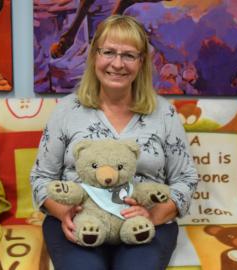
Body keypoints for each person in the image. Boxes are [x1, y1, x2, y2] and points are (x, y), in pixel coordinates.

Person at [30, 15, 198, 270]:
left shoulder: (164, 114)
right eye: (108, 52)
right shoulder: (66, 111)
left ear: (141, 62)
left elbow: (185, 179)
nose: (117, 64)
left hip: (143, 226)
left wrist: (153, 216)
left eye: (129, 55)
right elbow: (41, 178)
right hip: (82, 222)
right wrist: (64, 213)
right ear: (94, 56)